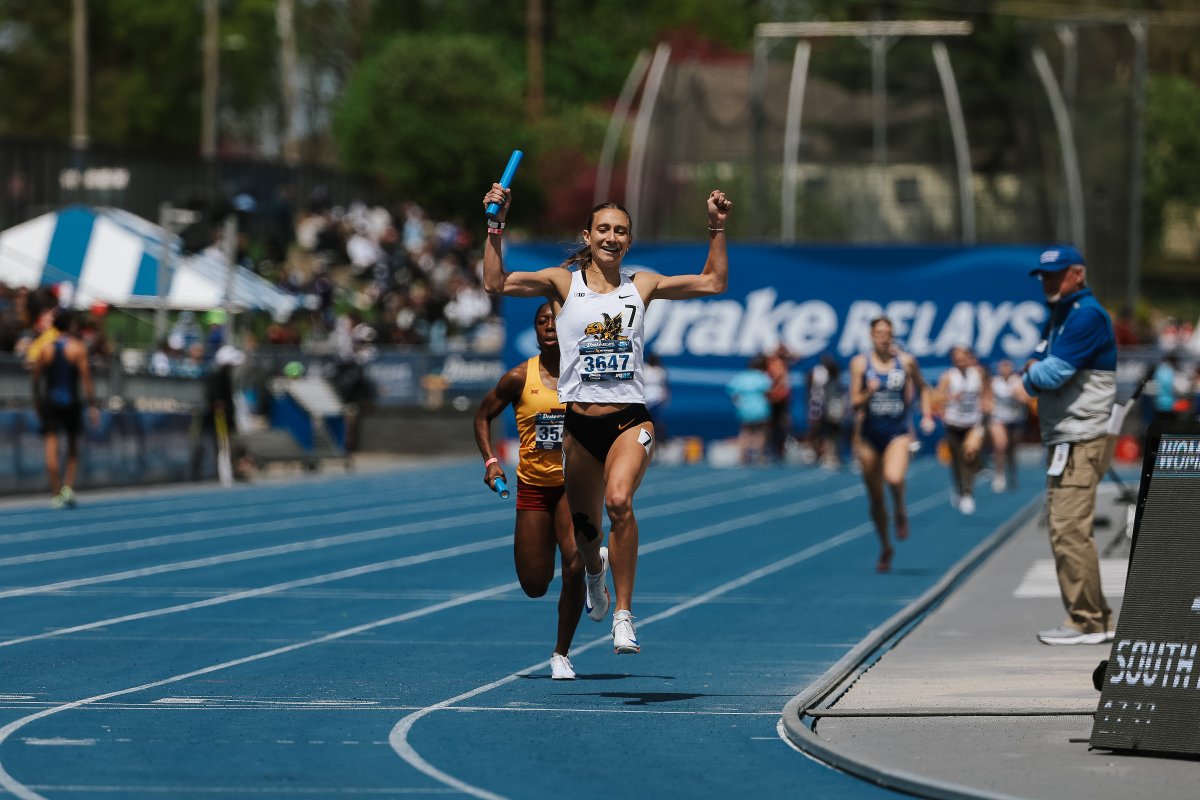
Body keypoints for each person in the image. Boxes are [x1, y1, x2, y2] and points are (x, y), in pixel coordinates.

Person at [481, 181, 731, 655]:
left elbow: (713, 282)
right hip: (578, 426)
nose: (611, 237)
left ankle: (624, 615)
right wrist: (495, 225)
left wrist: (716, 227)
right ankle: (595, 574)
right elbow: (496, 283)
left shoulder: (643, 285)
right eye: (603, 229)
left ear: (629, 241)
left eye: (620, 231)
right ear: (588, 235)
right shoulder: (562, 283)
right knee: (586, 534)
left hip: (629, 420)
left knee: (619, 502)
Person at [473, 302, 584, 680]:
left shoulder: (584, 373)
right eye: (541, 321)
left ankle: (561, 654)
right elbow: (482, 415)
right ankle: (591, 563)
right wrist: (491, 461)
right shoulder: (519, 377)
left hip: (574, 485)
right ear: (535, 330)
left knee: (574, 563)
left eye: (556, 320)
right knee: (535, 585)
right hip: (534, 487)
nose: (549, 326)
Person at [1023, 245, 1117, 646]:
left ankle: (1088, 620)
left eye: (1056, 274)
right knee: (1067, 528)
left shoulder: (1086, 315)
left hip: (1081, 436)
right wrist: (1034, 370)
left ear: (1077, 274)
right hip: (1067, 436)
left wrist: (1032, 372)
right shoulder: (1061, 314)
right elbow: (1036, 369)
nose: (1047, 282)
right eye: (1044, 276)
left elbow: (1049, 374)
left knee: (1069, 530)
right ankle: (1094, 617)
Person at [849, 317, 935, 573]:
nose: (883, 338)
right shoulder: (860, 363)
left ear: (892, 335)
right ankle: (886, 546)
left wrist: (927, 415)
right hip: (869, 435)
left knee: (894, 478)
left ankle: (899, 509)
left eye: (887, 333)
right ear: (871, 335)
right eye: (878, 333)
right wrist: (869, 392)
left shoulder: (906, 362)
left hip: (897, 433)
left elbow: (923, 388)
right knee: (876, 498)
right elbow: (854, 402)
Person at [30, 310, 100, 508]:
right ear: (70, 325)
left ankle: (55, 492)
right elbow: (86, 380)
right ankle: (68, 487)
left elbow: (35, 380)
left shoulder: (46, 349)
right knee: (72, 447)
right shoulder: (77, 348)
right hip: (71, 402)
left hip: (50, 402)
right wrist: (92, 405)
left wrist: (37, 402)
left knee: (51, 448)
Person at [936, 345, 991, 515]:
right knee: (956, 461)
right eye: (956, 358)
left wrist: (987, 405)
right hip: (953, 424)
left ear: (969, 358)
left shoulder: (978, 374)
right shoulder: (948, 376)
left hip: (973, 424)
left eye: (963, 357)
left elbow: (986, 392)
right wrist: (949, 398)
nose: (960, 361)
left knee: (969, 456)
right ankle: (959, 487)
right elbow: (936, 397)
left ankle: (968, 493)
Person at [988, 359, 1029, 492]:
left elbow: (1026, 399)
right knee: (1000, 446)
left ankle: (1012, 472)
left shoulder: (1018, 381)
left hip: (1016, 419)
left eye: (1007, 367)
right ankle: (999, 474)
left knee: (1012, 449)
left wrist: (1017, 395)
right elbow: (987, 399)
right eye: (1002, 367)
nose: (1005, 370)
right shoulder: (994, 382)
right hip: (999, 419)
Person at [726, 355, 773, 465]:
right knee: (760, 432)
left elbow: (731, 391)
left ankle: (743, 456)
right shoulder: (762, 377)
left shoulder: (740, 377)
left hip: (744, 409)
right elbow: (768, 390)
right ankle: (760, 455)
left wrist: (739, 402)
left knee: (745, 432)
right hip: (760, 408)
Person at [807, 353, 845, 469]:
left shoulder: (835, 379)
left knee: (833, 432)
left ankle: (832, 455)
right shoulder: (816, 373)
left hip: (832, 407)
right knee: (819, 430)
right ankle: (818, 453)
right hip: (820, 406)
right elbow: (809, 386)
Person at [764, 344, 794, 461]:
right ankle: (770, 448)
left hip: (783, 399)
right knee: (772, 424)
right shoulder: (772, 362)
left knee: (784, 424)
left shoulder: (784, 362)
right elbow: (777, 376)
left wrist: (786, 352)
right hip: (774, 398)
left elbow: (797, 356)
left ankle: (783, 448)